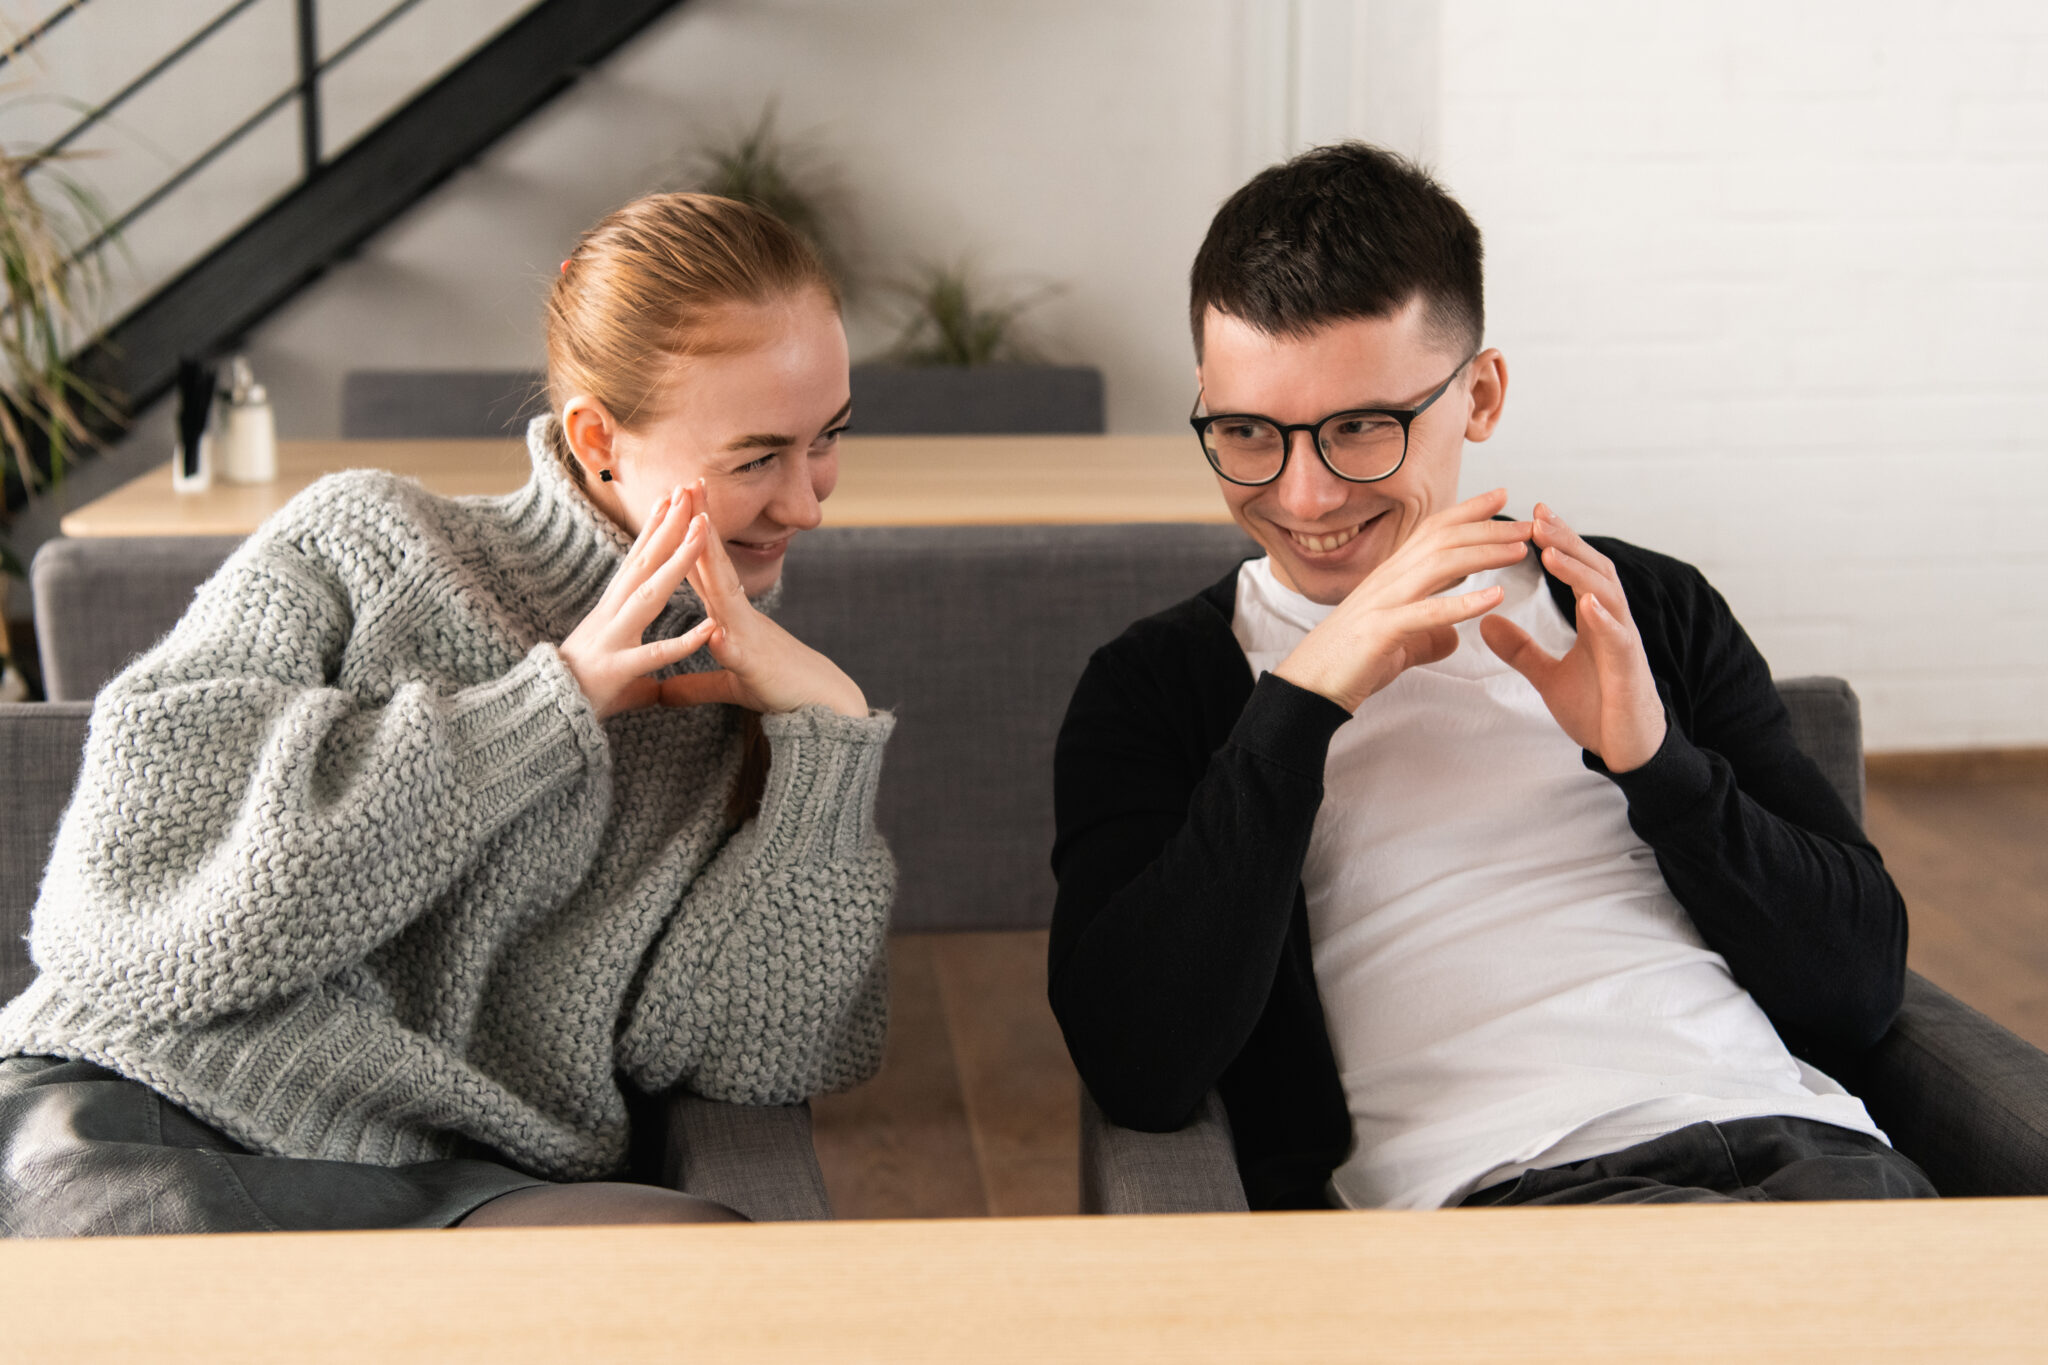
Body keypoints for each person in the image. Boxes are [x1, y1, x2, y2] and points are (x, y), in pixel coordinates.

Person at [1049, 143, 1935, 1211]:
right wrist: (1296, 709)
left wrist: (1657, 768)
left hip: (1813, 1163)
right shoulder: (1160, 685)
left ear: (1478, 396)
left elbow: (1856, 989)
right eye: (1246, 433)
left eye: (1359, 430)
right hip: (1502, 1206)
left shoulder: (1640, 608)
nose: (1305, 496)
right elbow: (1139, 1065)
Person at [0, 193, 895, 1235]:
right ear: (599, 439)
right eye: (755, 458)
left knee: (705, 1266)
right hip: (148, 1116)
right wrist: (548, 707)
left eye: (827, 438)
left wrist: (827, 748)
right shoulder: (360, 543)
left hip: (447, 1186)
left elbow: (753, 1059)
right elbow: (125, 923)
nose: (808, 502)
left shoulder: (738, 698)